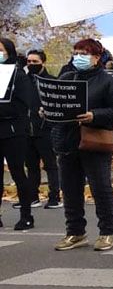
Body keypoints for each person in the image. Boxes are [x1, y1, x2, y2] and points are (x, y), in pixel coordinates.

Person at [50, 38, 113, 250]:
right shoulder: (67, 77)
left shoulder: (107, 81)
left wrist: (94, 115)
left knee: (101, 188)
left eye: (84, 53)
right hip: (67, 141)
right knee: (70, 189)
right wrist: (47, 110)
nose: (78, 57)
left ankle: (107, 232)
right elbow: (57, 104)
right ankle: (75, 232)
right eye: (76, 53)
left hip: (94, 142)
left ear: (97, 57)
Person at [1, 37, 38, 229]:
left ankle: (26, 215)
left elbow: (23, 105)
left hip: (14, 131)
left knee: (17, 172)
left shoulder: (18, 75)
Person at [24, 50, 61, 210]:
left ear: (43, 62)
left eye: (35, 61)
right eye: (29, 61)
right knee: (31, 166)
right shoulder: (24, 81)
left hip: (46, 129)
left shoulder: (51, 81)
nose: (31, 64)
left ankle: (54, 197)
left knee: (51, 165)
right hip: (27, 130)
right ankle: (33, 196)